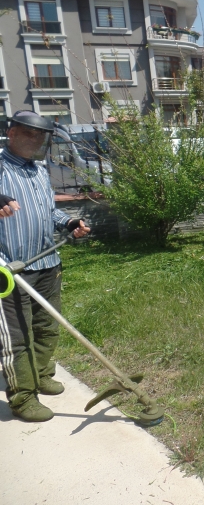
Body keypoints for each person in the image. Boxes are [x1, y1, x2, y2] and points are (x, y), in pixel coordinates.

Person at [0, 111, 90, 422]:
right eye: (30, 133)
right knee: (17, 336)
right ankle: (23, 396)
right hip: (11, 272)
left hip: (47, 262)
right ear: (11, 133)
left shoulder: (39, 171)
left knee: (47, 327)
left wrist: (69, 222)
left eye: (41, 135)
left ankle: (38, 374)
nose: (37, 140)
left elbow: (48, 211)